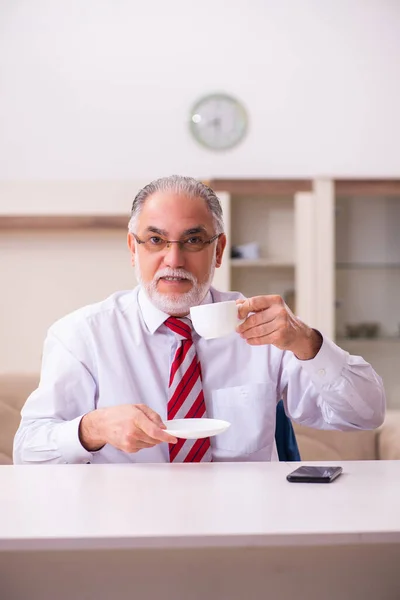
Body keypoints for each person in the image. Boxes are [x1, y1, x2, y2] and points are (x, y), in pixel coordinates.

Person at [13, 175, 386, 465]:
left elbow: (365, 415)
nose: (173, 260)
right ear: (133, 249)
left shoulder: (263, 325)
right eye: (156, 240)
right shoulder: (82, 335)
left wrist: (308, 343)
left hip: (246, 529)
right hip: (126, 527)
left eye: (192, 241)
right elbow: (27, 451)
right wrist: (90, 429)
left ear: (219, 250)